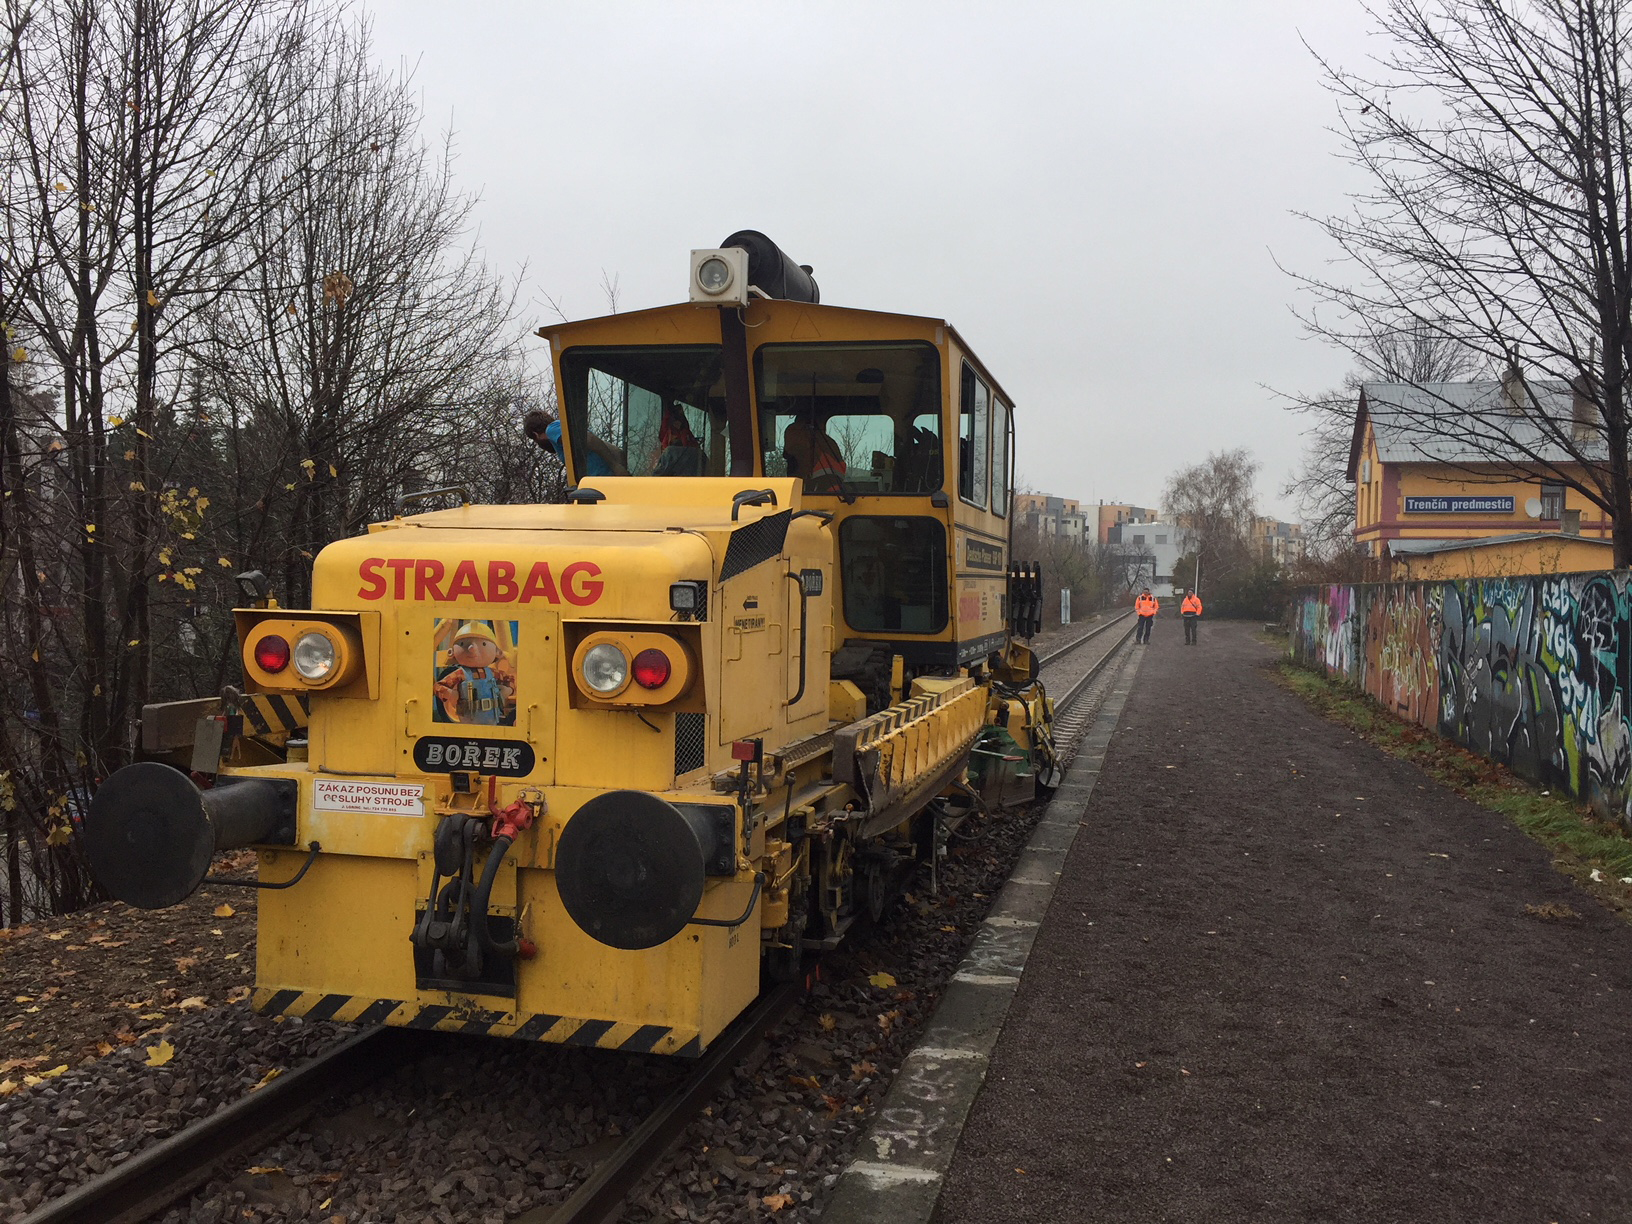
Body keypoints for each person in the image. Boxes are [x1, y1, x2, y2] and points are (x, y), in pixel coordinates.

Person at [523, 409, 627, 476]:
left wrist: (615, 466)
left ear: (536, 434)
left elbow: (589, 438)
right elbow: (616, 450)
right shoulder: (566, 428)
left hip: (602, 483)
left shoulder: (551, 430)